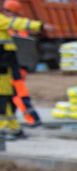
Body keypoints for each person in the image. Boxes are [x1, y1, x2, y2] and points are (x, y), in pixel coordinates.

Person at [2, 0, 40, 129]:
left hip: (12, 66)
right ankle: (23, 121)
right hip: (13, 65)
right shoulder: (14, 25)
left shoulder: (11, 25)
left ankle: (29, 119)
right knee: (13, 95)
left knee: (14, 95)